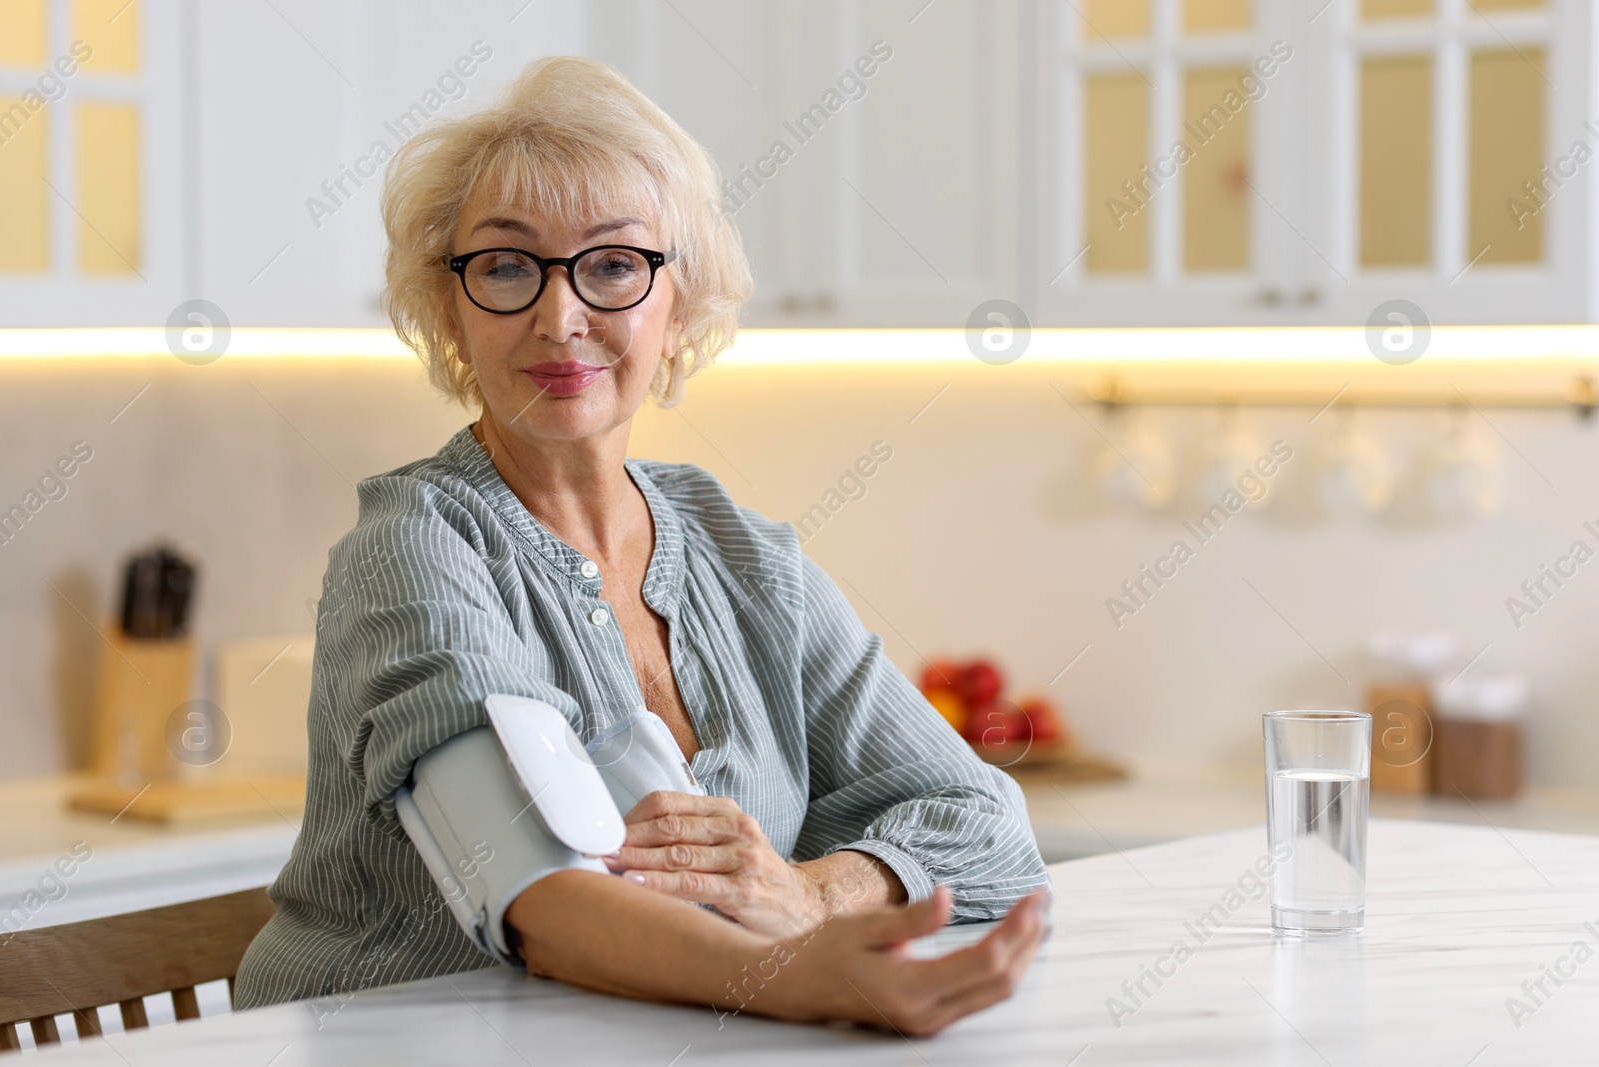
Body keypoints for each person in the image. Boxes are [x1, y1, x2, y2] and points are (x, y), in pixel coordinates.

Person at [233, 55, 1049, 1036]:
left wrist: (817, 893)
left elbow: (987, 823)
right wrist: (800, 973)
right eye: (504, 265)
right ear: (451, 311)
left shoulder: (746, 556)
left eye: (614, 264)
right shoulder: (413, 548)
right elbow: (529, 887)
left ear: (681, 305)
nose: (559, 316)